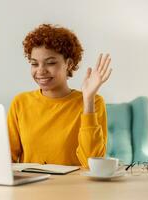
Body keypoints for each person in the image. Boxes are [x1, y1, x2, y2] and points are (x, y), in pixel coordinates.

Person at [7, 24, 112, 168]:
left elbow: (92, 163)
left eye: (50, 63)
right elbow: (7, 160)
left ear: (68, 64)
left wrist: (88, 100)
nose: (40, 71)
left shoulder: (94, 102)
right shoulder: (20, 102)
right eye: (34, 64)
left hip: (74, 188)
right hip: (31, 188)